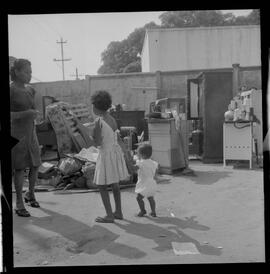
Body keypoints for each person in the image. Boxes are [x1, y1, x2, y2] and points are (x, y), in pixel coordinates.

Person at [77, 90, 129, 223]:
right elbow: (115, 137)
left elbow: (98, 142)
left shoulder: (98, 122)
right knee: (115, 183)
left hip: (106, 154)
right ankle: (118, 211)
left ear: (95, 106)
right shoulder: (111, 119)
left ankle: (109, 215)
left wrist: (90, 133)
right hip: (114, 152)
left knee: (101, 185)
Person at [10, 59, 41, 217]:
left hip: (31, 131)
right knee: (20, 167)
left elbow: (33, 109)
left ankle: (31, 194)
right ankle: (19, 203)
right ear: (16, 72)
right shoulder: (11, 89)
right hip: (16, 133)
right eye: (26, 72)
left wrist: (35, 114)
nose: (30, 75)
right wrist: (26, 114)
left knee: (35, 164)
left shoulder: (30, 90)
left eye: (30, 71)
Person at [134, 143, 158, 217]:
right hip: (152, 183)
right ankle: (153, 212)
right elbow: (156, 173)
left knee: (139, 198)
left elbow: (134, 169)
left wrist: (130, 164)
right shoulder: (154, 163)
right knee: (151, 198)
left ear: (142, 155)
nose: (137, 155)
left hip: (144, 184)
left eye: (138, 153)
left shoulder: (141, 163)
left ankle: (143, 210)